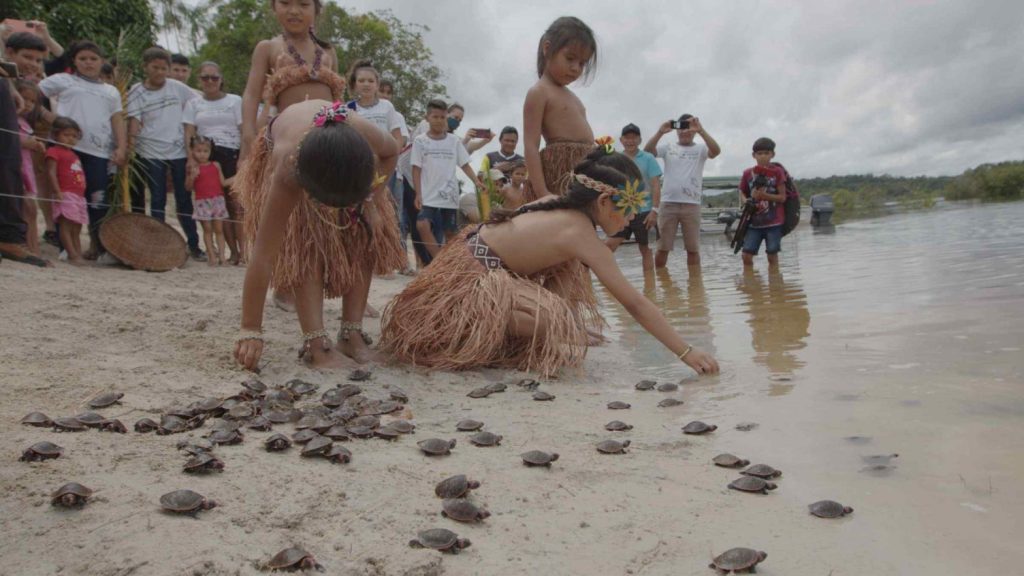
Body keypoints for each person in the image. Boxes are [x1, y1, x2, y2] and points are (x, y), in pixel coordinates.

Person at [381, 148, 719, 377]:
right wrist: (685, 351)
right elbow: (634, 301)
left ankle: (520, 323)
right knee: (560, 324)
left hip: (469, 268)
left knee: (570, 272)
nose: (633, 217)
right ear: (604, 200)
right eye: (630, 207)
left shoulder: (555, 205)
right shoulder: (579, 231)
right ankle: (484, 332)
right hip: (466, 289)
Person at [234, 99, 399, 371]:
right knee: (306, 245)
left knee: (363, 234)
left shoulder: (366, 133)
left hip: (344, 166)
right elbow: (263, 256)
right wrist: (250, 329)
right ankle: (316, 345)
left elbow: (391, 153)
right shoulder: (287, 170)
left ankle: (351, 335)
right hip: (293, 152)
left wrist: (370, 201)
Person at [38, 40, 126, 257]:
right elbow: (30, 94)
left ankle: (98, 247)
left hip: (98, 152)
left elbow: (117, 120)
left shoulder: (111, 91)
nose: (88, 63)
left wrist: (122, 147)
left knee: (98, 200)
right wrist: (49, 116)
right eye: (83, 59)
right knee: (67, 198)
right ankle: (65, 247)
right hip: (67, 151)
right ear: (74, 61)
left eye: (93, 59)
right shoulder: (63, 80)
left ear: (102, 62)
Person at [126, 47, 202, 259]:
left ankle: (194, 244)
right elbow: (134, 122)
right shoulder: (136, 91)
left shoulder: (177, 87)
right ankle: (157, 243)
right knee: (157, 200)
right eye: (155, 68)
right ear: (146, 68)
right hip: (149, 151)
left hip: (178, 150)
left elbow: (197, 102)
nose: (159, 72)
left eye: (163, 68)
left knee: (184, 199)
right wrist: (129, 149)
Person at [522, 16, 597, 202]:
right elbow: (531, 145)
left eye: (582, 63)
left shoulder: (574, 98)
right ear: (547, 49)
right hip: (559, 177)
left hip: (582, 173)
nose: (575, 68)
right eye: (570, 58)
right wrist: (543, 193)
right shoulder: (539, 92)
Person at [183, 61, 245, 263]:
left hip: (232, 154)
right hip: (207, 155)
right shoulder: (193, 104)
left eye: (214, 77)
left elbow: (245, 131)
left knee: (237, 205)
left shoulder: (235, 101)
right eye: (205, 77)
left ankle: (244, 253)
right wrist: (191, 160)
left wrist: (244, 158)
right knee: (221, 209)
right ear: (199, 80)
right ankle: (231, 252)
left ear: (221, 79)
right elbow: (189, 133)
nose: (210, 81)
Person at [411, 98, 485, 262]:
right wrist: (418, 193)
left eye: (442, 117)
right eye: (435, 117)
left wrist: (476, 181)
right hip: (428, 194)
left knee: (450, 232)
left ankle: (451, 263)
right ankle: (439, 261)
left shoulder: (454, 141)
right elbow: (416, 168)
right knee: (422, 225)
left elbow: (464, 163)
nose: (439, 121)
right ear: (427, 117)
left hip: (449, 195)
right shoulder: (420, 141)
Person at [644, 113, 721, 268]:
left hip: (692, 205)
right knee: (663, 248)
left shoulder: (701, 149)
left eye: (689, 128)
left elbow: (716, 151)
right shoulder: (668, 148)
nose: (685, 131)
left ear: (694, 130)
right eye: (682, 128)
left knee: (693, 249)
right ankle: (661, 282)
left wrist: (701, 131)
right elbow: (647, 152)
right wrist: (660, 132)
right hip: (668, 205)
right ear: (676, 130)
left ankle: (695, 288)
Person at [606, 124, 663, 272]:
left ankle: (650, 291)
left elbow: (656, 185)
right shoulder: (615, 159)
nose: (630, 141)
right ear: (621, 140)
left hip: (645, 212)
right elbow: (610, 185)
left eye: (634, 137)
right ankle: (609, 285)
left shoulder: (648, 158)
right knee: (609, 246)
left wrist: (655, 211)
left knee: (646, 250)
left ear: (640, 140)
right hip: (622, 211)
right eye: (627, 138)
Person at [738, 137, 788, 267]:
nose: (763, 157)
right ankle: (751, 283)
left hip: (774, 223)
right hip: (753, 223)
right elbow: (741, 191)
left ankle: (775, 285)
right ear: (754, 155)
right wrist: (746, 201)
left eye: (766, 153)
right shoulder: (748, 173)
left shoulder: (777, 172)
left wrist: (764, 195)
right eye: (759, 154)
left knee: (772, 255)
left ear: (772, 154)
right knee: (746, 255)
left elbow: (782, 197)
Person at [44, 117, 88, 264]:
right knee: (66, 224)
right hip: (65, 193)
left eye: (74, 136)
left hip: (78, 195)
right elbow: (50, 173)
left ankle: (77, 253)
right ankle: (72, 255)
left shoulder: (74, 154)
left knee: (77, 226)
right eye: (66, 135)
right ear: (56, 134)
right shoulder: (53, 151)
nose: (70, 139)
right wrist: (57, 191)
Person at [186, 136, 233, 266]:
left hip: (217, 200)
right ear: (192, 151)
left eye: (205, 151)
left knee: (219, 230)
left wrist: (239, 176)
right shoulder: (193, 168)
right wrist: (192, 177)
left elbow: (223, 183)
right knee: (207, 230)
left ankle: (223, 257)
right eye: (199, 151)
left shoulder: (216, 165)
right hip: (202, 202)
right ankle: (211, 256)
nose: (202, 154)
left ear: (210, 151)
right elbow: (188, 187)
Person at [15, 80, 49, 256]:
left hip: (25, 171)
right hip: (13, 171)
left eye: (32, 101)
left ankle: (33, 248)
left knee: (30, 209)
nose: (27, 104)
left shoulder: (25, 124)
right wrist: (26, 142)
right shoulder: (9, 120)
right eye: (24, 98)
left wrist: (36, 146)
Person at [477, 126, 524, 220]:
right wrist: (497, 169)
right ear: (500, 140)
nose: (510, 143)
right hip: (494, 197)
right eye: (506, 140)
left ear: (516, 142)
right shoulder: (489, 157)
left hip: (513, 200)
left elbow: (526, 181)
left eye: (513, 141)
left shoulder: (522, 161)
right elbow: (479, 177)